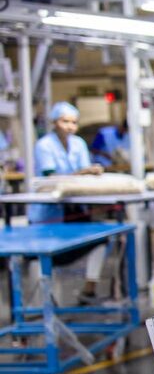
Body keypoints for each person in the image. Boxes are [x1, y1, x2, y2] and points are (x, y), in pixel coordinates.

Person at [30, 102, 109, 304]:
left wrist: (91, 173)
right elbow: (51, 178)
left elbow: (84, 176)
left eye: (74, 122)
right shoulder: (44, 146)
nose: (70, 126)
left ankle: (89, 289)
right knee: (43, 257)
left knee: (101, 239)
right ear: (54, 122)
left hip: (75, 211)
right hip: (49, 215)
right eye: (65, 121)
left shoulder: (79, 144)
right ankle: (46, 302)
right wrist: (83, 172)